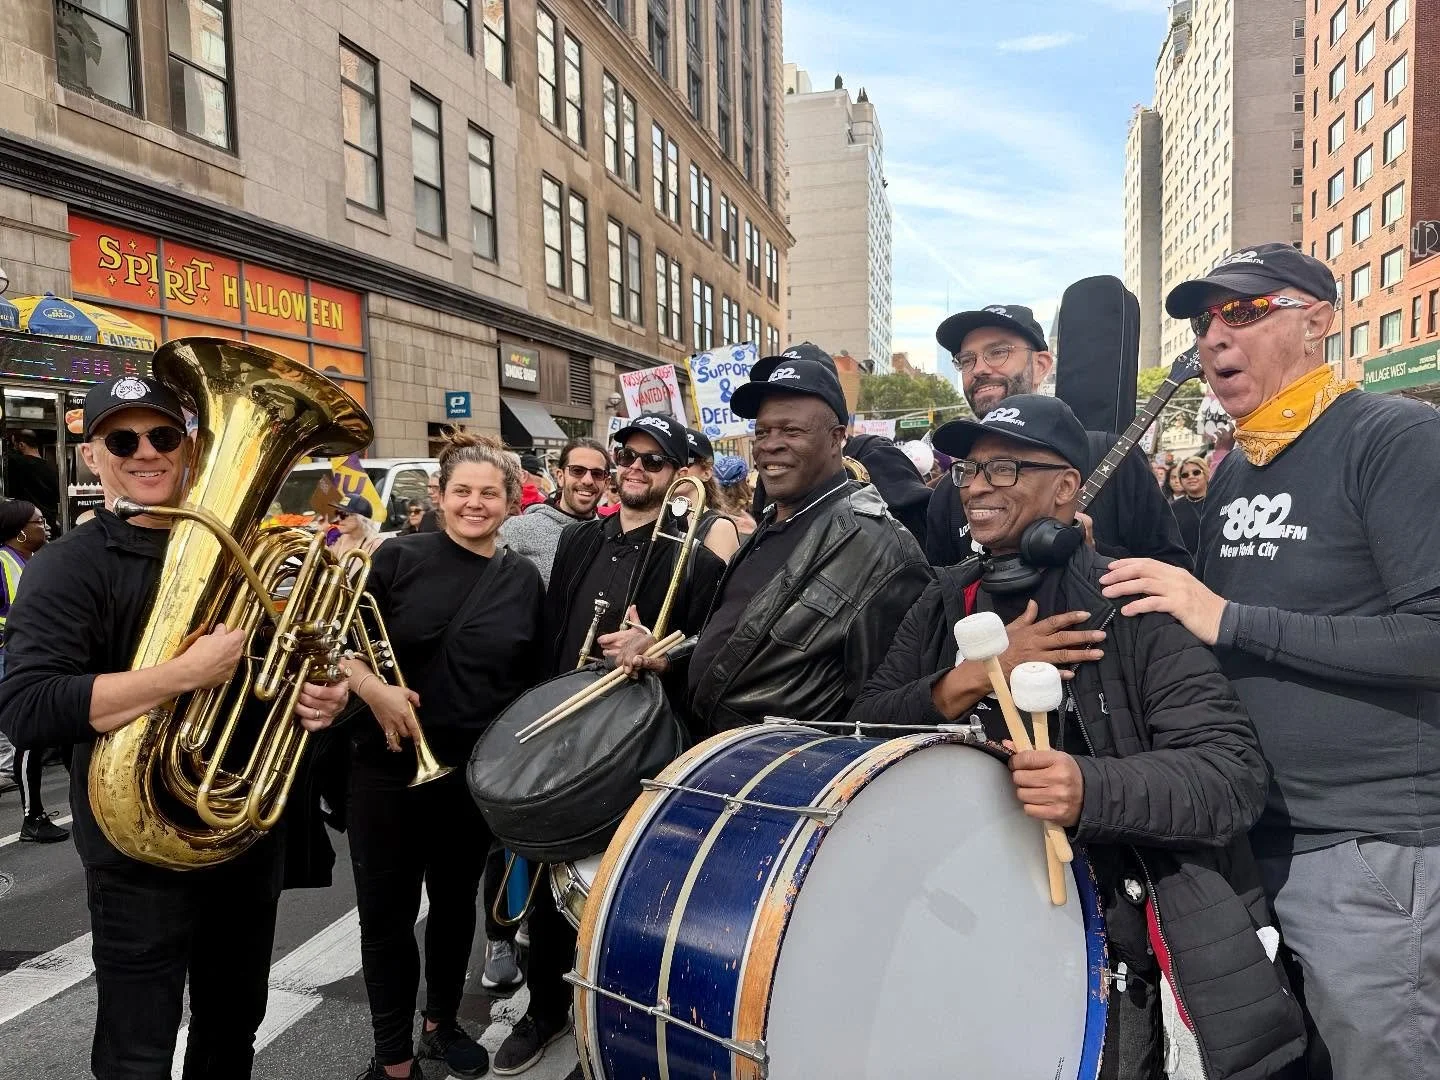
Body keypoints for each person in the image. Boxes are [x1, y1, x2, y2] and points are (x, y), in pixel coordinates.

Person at [849, 395, 1304, 1079]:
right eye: (969, 470)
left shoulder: (1131, 605)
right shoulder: (943, 599)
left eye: (1004, 468)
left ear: (1066, 488)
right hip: (971, 924)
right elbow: (867, 726)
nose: (976, 486)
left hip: (1116, 941)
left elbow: (1230, 776)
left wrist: (1087, 788)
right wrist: (973, 677)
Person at [1101, 243, 1440, 1079]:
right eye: (1204, 319)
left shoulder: (1395, 438)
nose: (1215, 335)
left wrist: (1230, 618)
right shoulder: (1234, 472)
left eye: (1246, 311)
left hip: (1368, 845)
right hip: (1248, 839)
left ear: (1317, 321)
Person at [0, 374, 349, 1080]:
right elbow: (28, 706)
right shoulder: (69, 566)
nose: (145, 452)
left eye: (163, 435)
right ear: (92, 455)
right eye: (122, 440)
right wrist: (181, 675)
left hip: (240, 832)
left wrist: (323, 698)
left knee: (232, 1031)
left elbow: (283, 671)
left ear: (190, 447)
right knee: (137, 1051)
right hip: (136, 847)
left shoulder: (248, 551)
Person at [494, 414, 726, 1078]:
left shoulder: (696, 559)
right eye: (627, 455)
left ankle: (604, 1022)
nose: (635, 468)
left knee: (615, 888)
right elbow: (553, 629)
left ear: (677, 474)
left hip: (636, 745)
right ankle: (544, 1010)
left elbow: (712, 652)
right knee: (547, 877)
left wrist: (662, 651)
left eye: (653, 461)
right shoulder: (580, 539)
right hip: (565, 726)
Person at [342, 432, 545, 1080]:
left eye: (489, 493)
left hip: (468, 773)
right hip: (385, 767)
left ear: (511, 502)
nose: (474, 504)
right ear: (440, 495)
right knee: (387, 917)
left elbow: (530, 676)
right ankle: (392, 1059)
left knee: (455, 907)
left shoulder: (522, 579)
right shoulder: (397, 557)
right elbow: (339, 645)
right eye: (462, 491)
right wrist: (372, 689)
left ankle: (441, 1025)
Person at [621, 355, 932, 736]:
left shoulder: (884, 551)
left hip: (776, 764)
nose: (770, 446)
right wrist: (670, 657)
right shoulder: (773, 521)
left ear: (836, 438)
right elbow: (740, 639)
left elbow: (879, 715)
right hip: (707, 746)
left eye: (791, 431)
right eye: (763, 432)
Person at [926, 305, 1190, 570]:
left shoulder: (1113, 454)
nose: (979, 369)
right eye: (967, 360)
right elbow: (937, 586)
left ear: (1041, 365)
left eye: (997, 352)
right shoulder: (953, 488)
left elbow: (1175, 572)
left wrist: (1094, 558)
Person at [749, 343, 934, 549]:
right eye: (774, 385)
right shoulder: (773, 472)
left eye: (797, 385)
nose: (779, 396)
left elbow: (919, 539)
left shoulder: (876, 456)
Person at [0, 499, 67, 842]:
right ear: (21, 532)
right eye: (39, 521)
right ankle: (32, 817)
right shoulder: (3, 562)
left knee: (43, 736)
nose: (47, 526)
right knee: (28, 738)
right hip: (13, 659)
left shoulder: (36, 561)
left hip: (38, 657)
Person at [499, 437, 610, 586]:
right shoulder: (518, 528)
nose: (587, 480)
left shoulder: (612, 536)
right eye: (577, 471)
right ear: (560, 477)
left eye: (597, 473)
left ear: (606, 483)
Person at [680, 426, 741, 561]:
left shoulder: (719, 528)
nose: (679, 468)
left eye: (686, 460)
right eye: (671, 459)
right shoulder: (657, 518)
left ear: (706, 473)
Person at [5, 428, 60, 530]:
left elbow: (6, 455)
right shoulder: (51, 468)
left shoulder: (19, 463)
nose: (13, 448)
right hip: (49, 522)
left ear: (21, 445)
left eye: (14, 445)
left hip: (30, 523)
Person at [1169, 455, 1209, 559]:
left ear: (1205, 474)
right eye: (1185, 475)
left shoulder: (1219, 501)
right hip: (1187, 564)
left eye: (1196, 472)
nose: (1190, 477)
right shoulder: (1173, 508)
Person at [711, 453, 757, 537]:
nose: (750, 486)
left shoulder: (710, 515)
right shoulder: (747, 526)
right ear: (741, 486)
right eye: (747, 481)